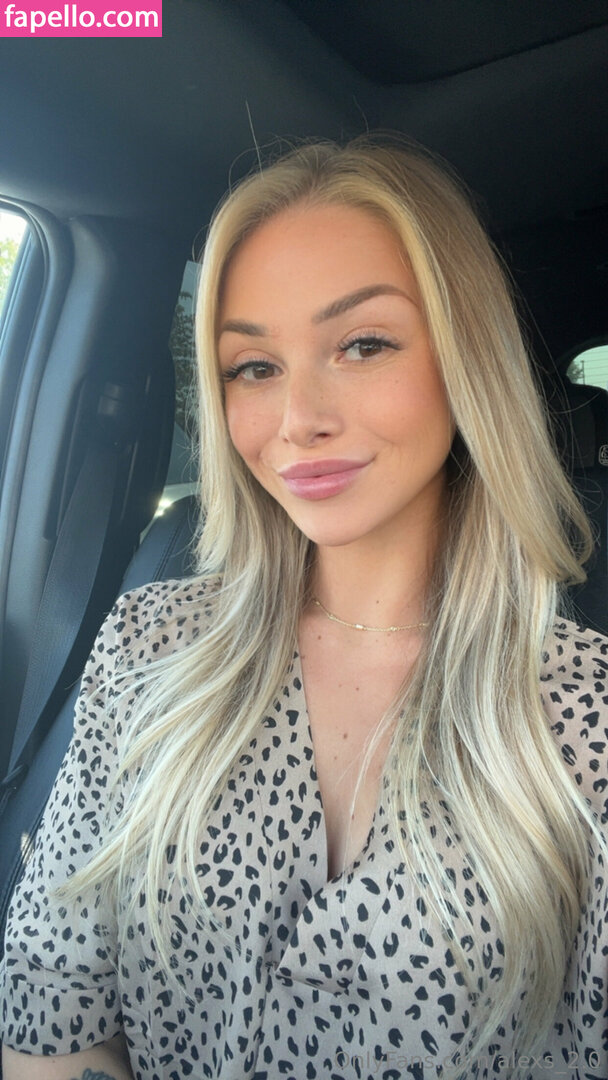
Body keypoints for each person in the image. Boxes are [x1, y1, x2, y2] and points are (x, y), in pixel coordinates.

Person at [1, 136, 606, 1080]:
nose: (296, 420)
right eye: (253, 366)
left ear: (466, 361)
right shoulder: (149, 645)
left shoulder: (586, 716)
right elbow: (51, 1000)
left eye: (362, 345)